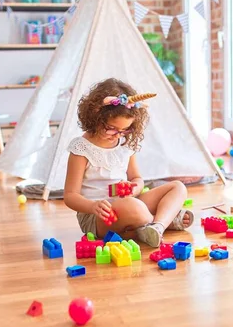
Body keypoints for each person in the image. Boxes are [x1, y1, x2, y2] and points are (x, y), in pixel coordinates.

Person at [64, 78, 193, 248]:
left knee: (177, 187)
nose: (118, 135)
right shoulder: (82, 148)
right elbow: (70, 196)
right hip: (97, 216)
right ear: (95, 116)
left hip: (130, 204)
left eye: (125, 129)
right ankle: (165, 219)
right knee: (135, 207)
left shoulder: (124, 145)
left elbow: (137, 178)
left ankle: (157, 227)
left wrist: (134, 188)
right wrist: (93, 206)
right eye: (112, 128)